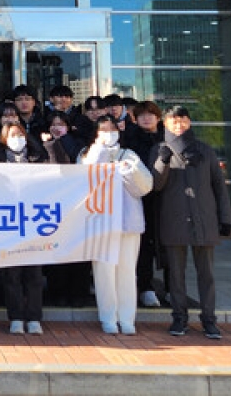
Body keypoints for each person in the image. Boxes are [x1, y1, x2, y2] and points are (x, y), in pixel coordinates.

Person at [151, 106, 231, 340]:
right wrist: (162, 162)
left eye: (183, 120)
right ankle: (179, 318)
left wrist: (225, 218)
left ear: (189, 122)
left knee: (206, 273)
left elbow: (218, 186)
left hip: (203, 219)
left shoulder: (204, 150)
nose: (179, 125)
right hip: (173, 219)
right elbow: (155, 185)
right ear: (165, 124)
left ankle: (209, 320)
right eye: (174, 121)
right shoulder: (159, 149)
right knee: (175, 274)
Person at [79, 115, 152, 335]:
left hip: (128, 223)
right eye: (103, 130)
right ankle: (108, 317)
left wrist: (129, 170)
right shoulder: (87, 154)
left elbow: (145, 186)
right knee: (104, 272)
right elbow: (84, 179)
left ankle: (127, 317)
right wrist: (99, 151)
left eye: (112, 129)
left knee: (127, 271)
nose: (108, 133)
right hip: (100, 224)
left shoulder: (129, 155)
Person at [0, 122, 48, 335]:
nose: (17, 138)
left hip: (33, 222)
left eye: (20, 134)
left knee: (34, 275)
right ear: (4, 139)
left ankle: (34, 317)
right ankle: (15, 317)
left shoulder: (38, 158)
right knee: (12, 275)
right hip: (7, 223)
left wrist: (49, 145)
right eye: (12, 135)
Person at [38, 111, 89, 308]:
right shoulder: (40, 142)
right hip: (51, 205)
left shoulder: (78, 143)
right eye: (53, 123)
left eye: (61, 124)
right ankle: (56, 293)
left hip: (77, 205)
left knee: (78, 251)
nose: (57, 127)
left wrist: (65, 138)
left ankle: (79, 294)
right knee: (55, 252)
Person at [132, 101, 167, 308]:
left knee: (169, 244)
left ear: (158, 117)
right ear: (135, 119)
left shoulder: (169, 139)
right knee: (144, 244)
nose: (147, 118)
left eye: (150, 115)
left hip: (166, 199)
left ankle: (173, 288)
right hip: (141, 199)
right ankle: (146, 287)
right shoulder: (129, 141)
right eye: (142, 115)